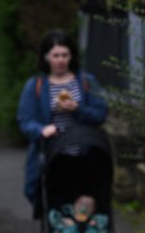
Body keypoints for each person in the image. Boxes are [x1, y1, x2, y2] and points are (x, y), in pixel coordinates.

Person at [16, 31, 108, 215]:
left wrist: (78, 109)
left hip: (84, 156)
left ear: (71, 56)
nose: (60, 60)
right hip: (52, 157)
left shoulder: (85, 82)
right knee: (55, 204)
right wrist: (42, 130)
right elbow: (25, 120)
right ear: (47, 58)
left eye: (64, 55)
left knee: (85, 204)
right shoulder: (35, 86)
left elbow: (101, 114)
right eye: (55, 55)